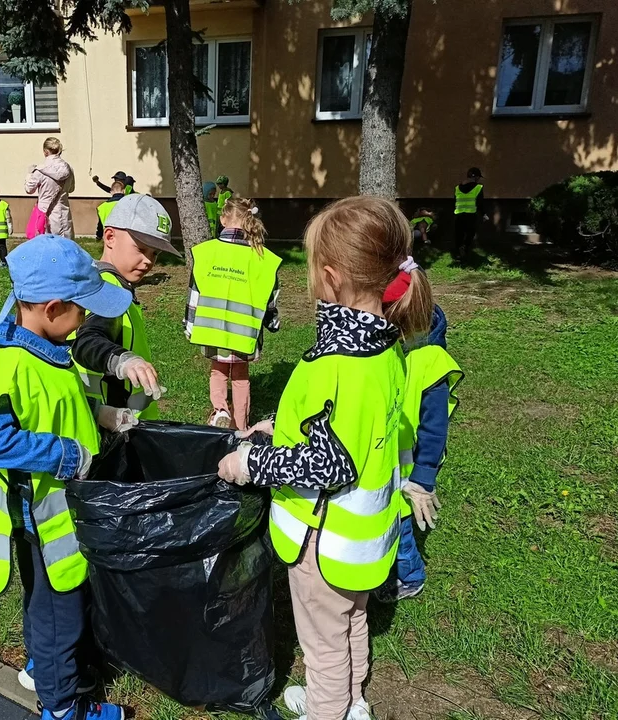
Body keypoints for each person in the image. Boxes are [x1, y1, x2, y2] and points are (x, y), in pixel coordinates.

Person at [217, 196, 433, 720]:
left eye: (312, 269)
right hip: (367, 538)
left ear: (332, 277)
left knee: (324, 646)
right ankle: (350, 702)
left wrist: (251, 463)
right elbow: (343, 430)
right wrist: (280, 428)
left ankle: (327, 708)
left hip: (324, 542)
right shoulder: (386, 349)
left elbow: (330, 465)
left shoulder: (336, 363)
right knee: (352, 622)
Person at [0, 235, 136, 720]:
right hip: (45, 521)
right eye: (82, 311)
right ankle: (63, 708)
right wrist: (64, 455)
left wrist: (100, 414)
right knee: (61, 614)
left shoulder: (47, 348)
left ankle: (44, 666)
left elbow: (53, 404)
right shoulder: (16, 366)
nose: (86, 320)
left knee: (45, 606)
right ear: (54, 307)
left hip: (53, 514)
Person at [375, 305, 463, 603]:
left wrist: (423, 477)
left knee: (400, 520)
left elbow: (434, 428)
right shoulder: (386, 350)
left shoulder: (430, 360)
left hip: (408, 460)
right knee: (383, 513)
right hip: (383, 454)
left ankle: (409, 576)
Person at [72, 193, 178, 420]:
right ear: (110, 237)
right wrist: (122, 360)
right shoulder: (106, 289)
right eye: (141, 249)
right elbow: (87, 340)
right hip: (110, 428)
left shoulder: (114, 285)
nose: (149, 261)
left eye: (155, 254)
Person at [185, 197, 281, 430]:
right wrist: (273, 322)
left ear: (223, 219)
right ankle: (241, 424)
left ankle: (220, 411)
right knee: (241, 377)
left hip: (212, 328)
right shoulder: (262, 257)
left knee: (218, 372)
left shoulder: (206, 252)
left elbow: (194, 293)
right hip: (244, 332)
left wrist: (189, 325)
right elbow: (270, 295)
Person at [26, 137, 75, 240]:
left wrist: (29, 174)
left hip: (46, 213)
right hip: (64, 213)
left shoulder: (40, 170)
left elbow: (29, 189)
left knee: (47, 245)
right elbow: (71, 189)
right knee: (65, 246)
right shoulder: (69, 169)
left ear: (45, 151)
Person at [454, 167, 486, 258]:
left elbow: (455, 201)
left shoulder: (457, 188)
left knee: (459, 234)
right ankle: (465, 249)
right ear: (475, 177)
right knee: (470, 234)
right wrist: (483, 214)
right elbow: (480, 202)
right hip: (470, 215)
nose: (479, 179)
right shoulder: (478, 187)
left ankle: (458, 253)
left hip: (458, 215)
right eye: (478, 177)